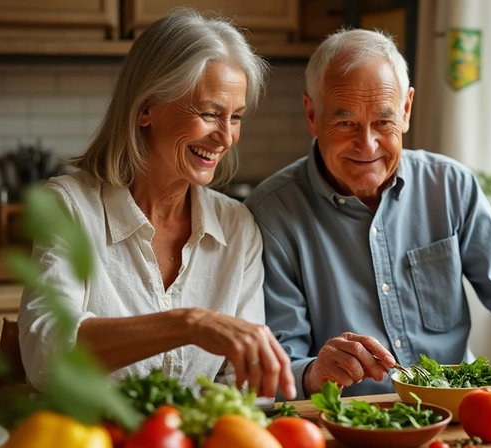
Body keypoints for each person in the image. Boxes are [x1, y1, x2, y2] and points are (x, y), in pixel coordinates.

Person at [245, 29, 491, 412]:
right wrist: (315, 371)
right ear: (311, 115)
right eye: (345, 124)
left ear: (405, 110)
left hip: (462, 416)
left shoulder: (450, 186)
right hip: (353, 423)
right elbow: (280, 366)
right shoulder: (272, 214)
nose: (367, 145)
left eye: (383, 122)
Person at [18, 8, 296, 400]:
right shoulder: (70, 207)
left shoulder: (236, 227)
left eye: (235, 117)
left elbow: (245, 389)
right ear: (147, 108)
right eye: (209, 113)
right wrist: (188, 323)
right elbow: (44, 357)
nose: (225, 137)